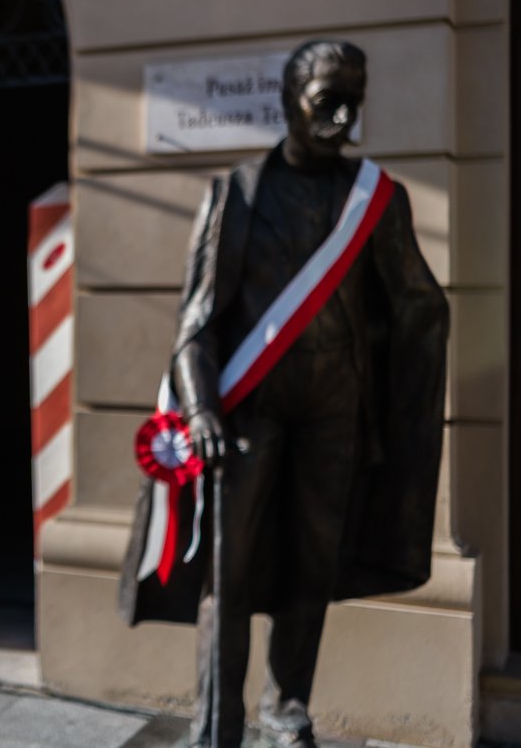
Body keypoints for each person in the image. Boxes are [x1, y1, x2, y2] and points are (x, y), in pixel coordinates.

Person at [118, 40, 448, 747]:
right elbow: (194, 324)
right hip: (246, 416)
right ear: (287, 99)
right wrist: (201, 406)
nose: (341, 110)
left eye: (353, 97)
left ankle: (286, 707)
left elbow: (417, 306)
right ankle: (218, 723)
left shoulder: (376, 199)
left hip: (335, 415)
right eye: (326, 94)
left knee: (311, 565)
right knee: (228, 576)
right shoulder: (236, 193)